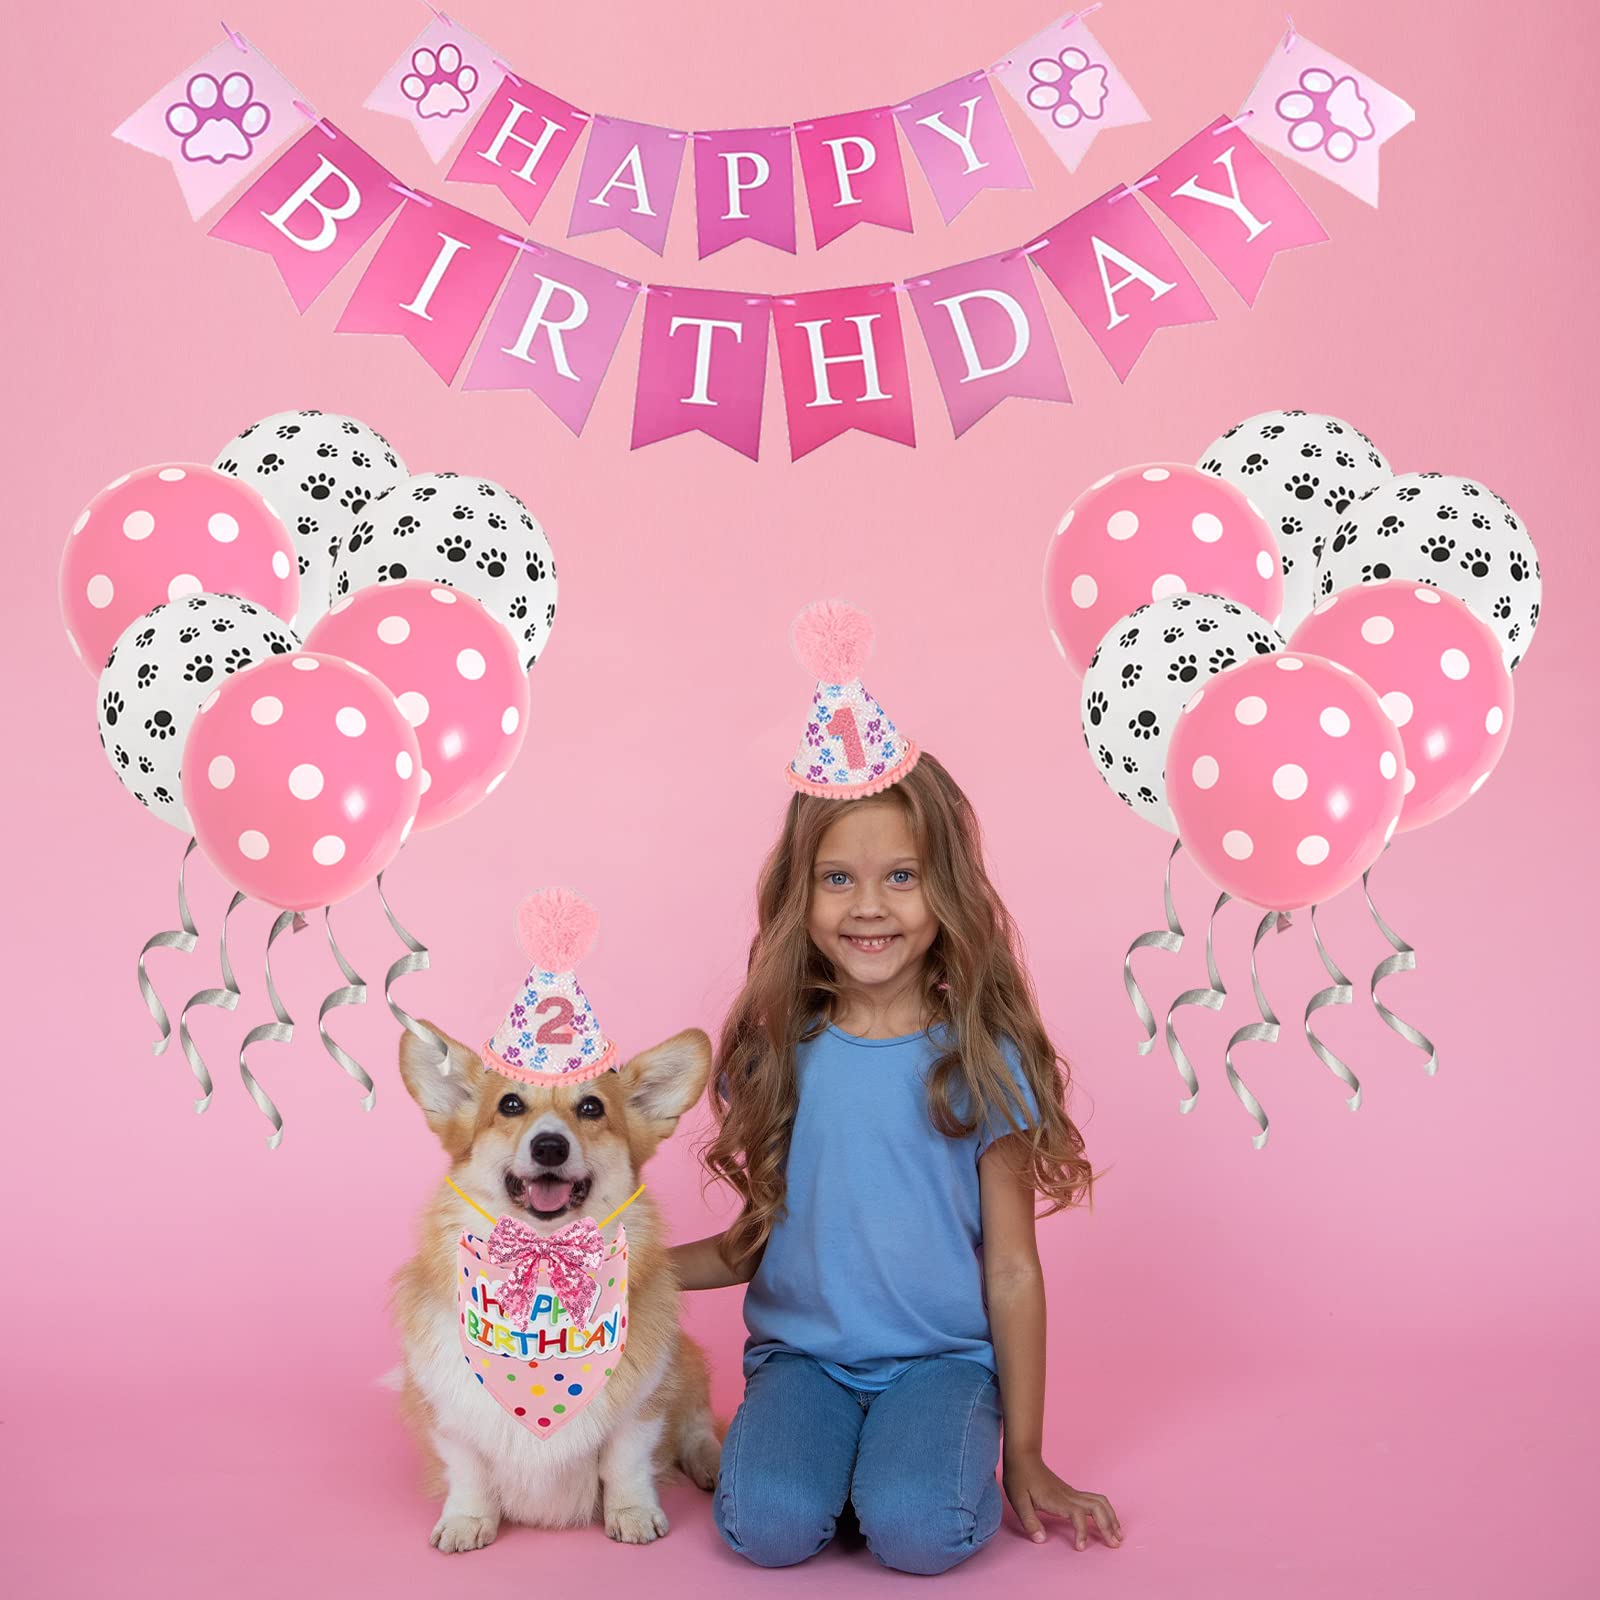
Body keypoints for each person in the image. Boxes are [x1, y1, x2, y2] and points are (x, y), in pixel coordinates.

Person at [672, 600, 1123, 1574]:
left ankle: (922, 1457)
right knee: (769, 1530)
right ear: (801, 892)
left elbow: (1009, 1267)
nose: (869, 906)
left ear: (947, 887)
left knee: (919, 1534)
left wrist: (1031, 1456)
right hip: (803, 1361)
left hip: (940, 1363)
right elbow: (758, 1238)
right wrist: (624, 1267)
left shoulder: (981, 1057)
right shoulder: (780, 1046)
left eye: (902, 875)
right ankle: (829, 1456)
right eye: (837, 879)